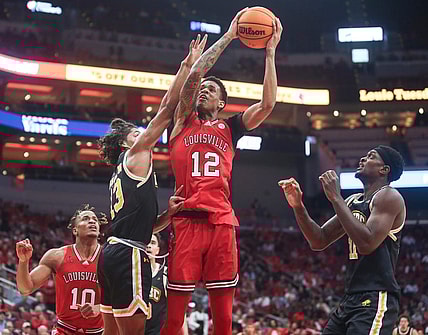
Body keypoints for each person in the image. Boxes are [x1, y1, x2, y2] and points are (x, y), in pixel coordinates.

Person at [161, 8, 283, 335]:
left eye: (212, 90)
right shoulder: (182, 122)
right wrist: (229, 36)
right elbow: (192, 79)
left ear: (221, 103)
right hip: (186, 221)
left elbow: (268, 104)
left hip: (221, 224)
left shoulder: (231, 128)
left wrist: (269, 54)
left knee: (224, 322)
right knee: (173, 321)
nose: (205, 90)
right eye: (204, 88)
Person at [96, 35, 207, 335]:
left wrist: (167, 217)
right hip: (129, 255)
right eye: (135, 132)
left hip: (112, 252)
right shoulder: (135, 153)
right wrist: (187, 65)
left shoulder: (119, 173)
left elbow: (139, 224)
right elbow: (167, 108)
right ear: (124, 142)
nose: (141, 133)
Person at [279, 145, 406, 335]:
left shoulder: (389, 196)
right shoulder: (353, 201)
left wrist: (335, 197)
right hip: (351, 297)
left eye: (371, 157)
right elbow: (318, 240)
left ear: (384, 170)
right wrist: (298, 206)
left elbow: (367, 244)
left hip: (376, 295)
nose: (363, 159)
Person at [16, 205, 106, 335]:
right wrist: (23, 261)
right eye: (86, 219)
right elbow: (25, 289)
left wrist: (100, 308)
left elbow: (124, 299)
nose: (92, 221)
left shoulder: (109, 257)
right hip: (64, 330)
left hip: (98, 331)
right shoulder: (56, 256)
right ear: (75, 230)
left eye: (95, 220)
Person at [145, 234, 188, 335]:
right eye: (147, 242)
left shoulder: (165, 274)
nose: (149, 246)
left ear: (158, 250)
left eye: (153, 243)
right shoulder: (132, 273)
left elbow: (178, 310)